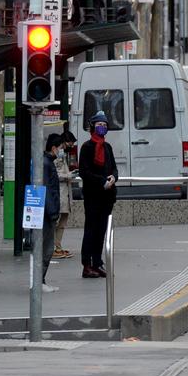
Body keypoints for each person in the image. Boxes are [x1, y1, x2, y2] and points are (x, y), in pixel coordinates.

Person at [79, 111, 118, 278]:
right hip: (93, 195)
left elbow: (114, 167)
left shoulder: (107, 147)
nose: (102, 127)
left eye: (104, 125)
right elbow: (84, 172)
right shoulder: (87, 147)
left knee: (102, 230)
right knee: (91, 230)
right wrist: (102, 181)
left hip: (107, 196)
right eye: (99, 125)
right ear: (92, 127)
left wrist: (114, 177)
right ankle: (87, 265)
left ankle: (97, 263)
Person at [41, 135, 62, 292]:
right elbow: (48, 190)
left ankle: (40, 280)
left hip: (45, 212)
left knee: (45, 247)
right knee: (46, 248)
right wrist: (53, 212)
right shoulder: (46, 164)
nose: (62, 151)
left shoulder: (46, 162)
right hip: (47, 213)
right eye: (60, 148)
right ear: (54, 148)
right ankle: (39, 281)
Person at [52, 132, 76, 259]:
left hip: (65, 193)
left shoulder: (62, 156)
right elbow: (56, 174)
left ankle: (58, 246)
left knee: (62, 222)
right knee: (56, 221)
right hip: (60, 193)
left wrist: (70, 174)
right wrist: (68, 176)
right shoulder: (56, 156)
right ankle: (53, 247)